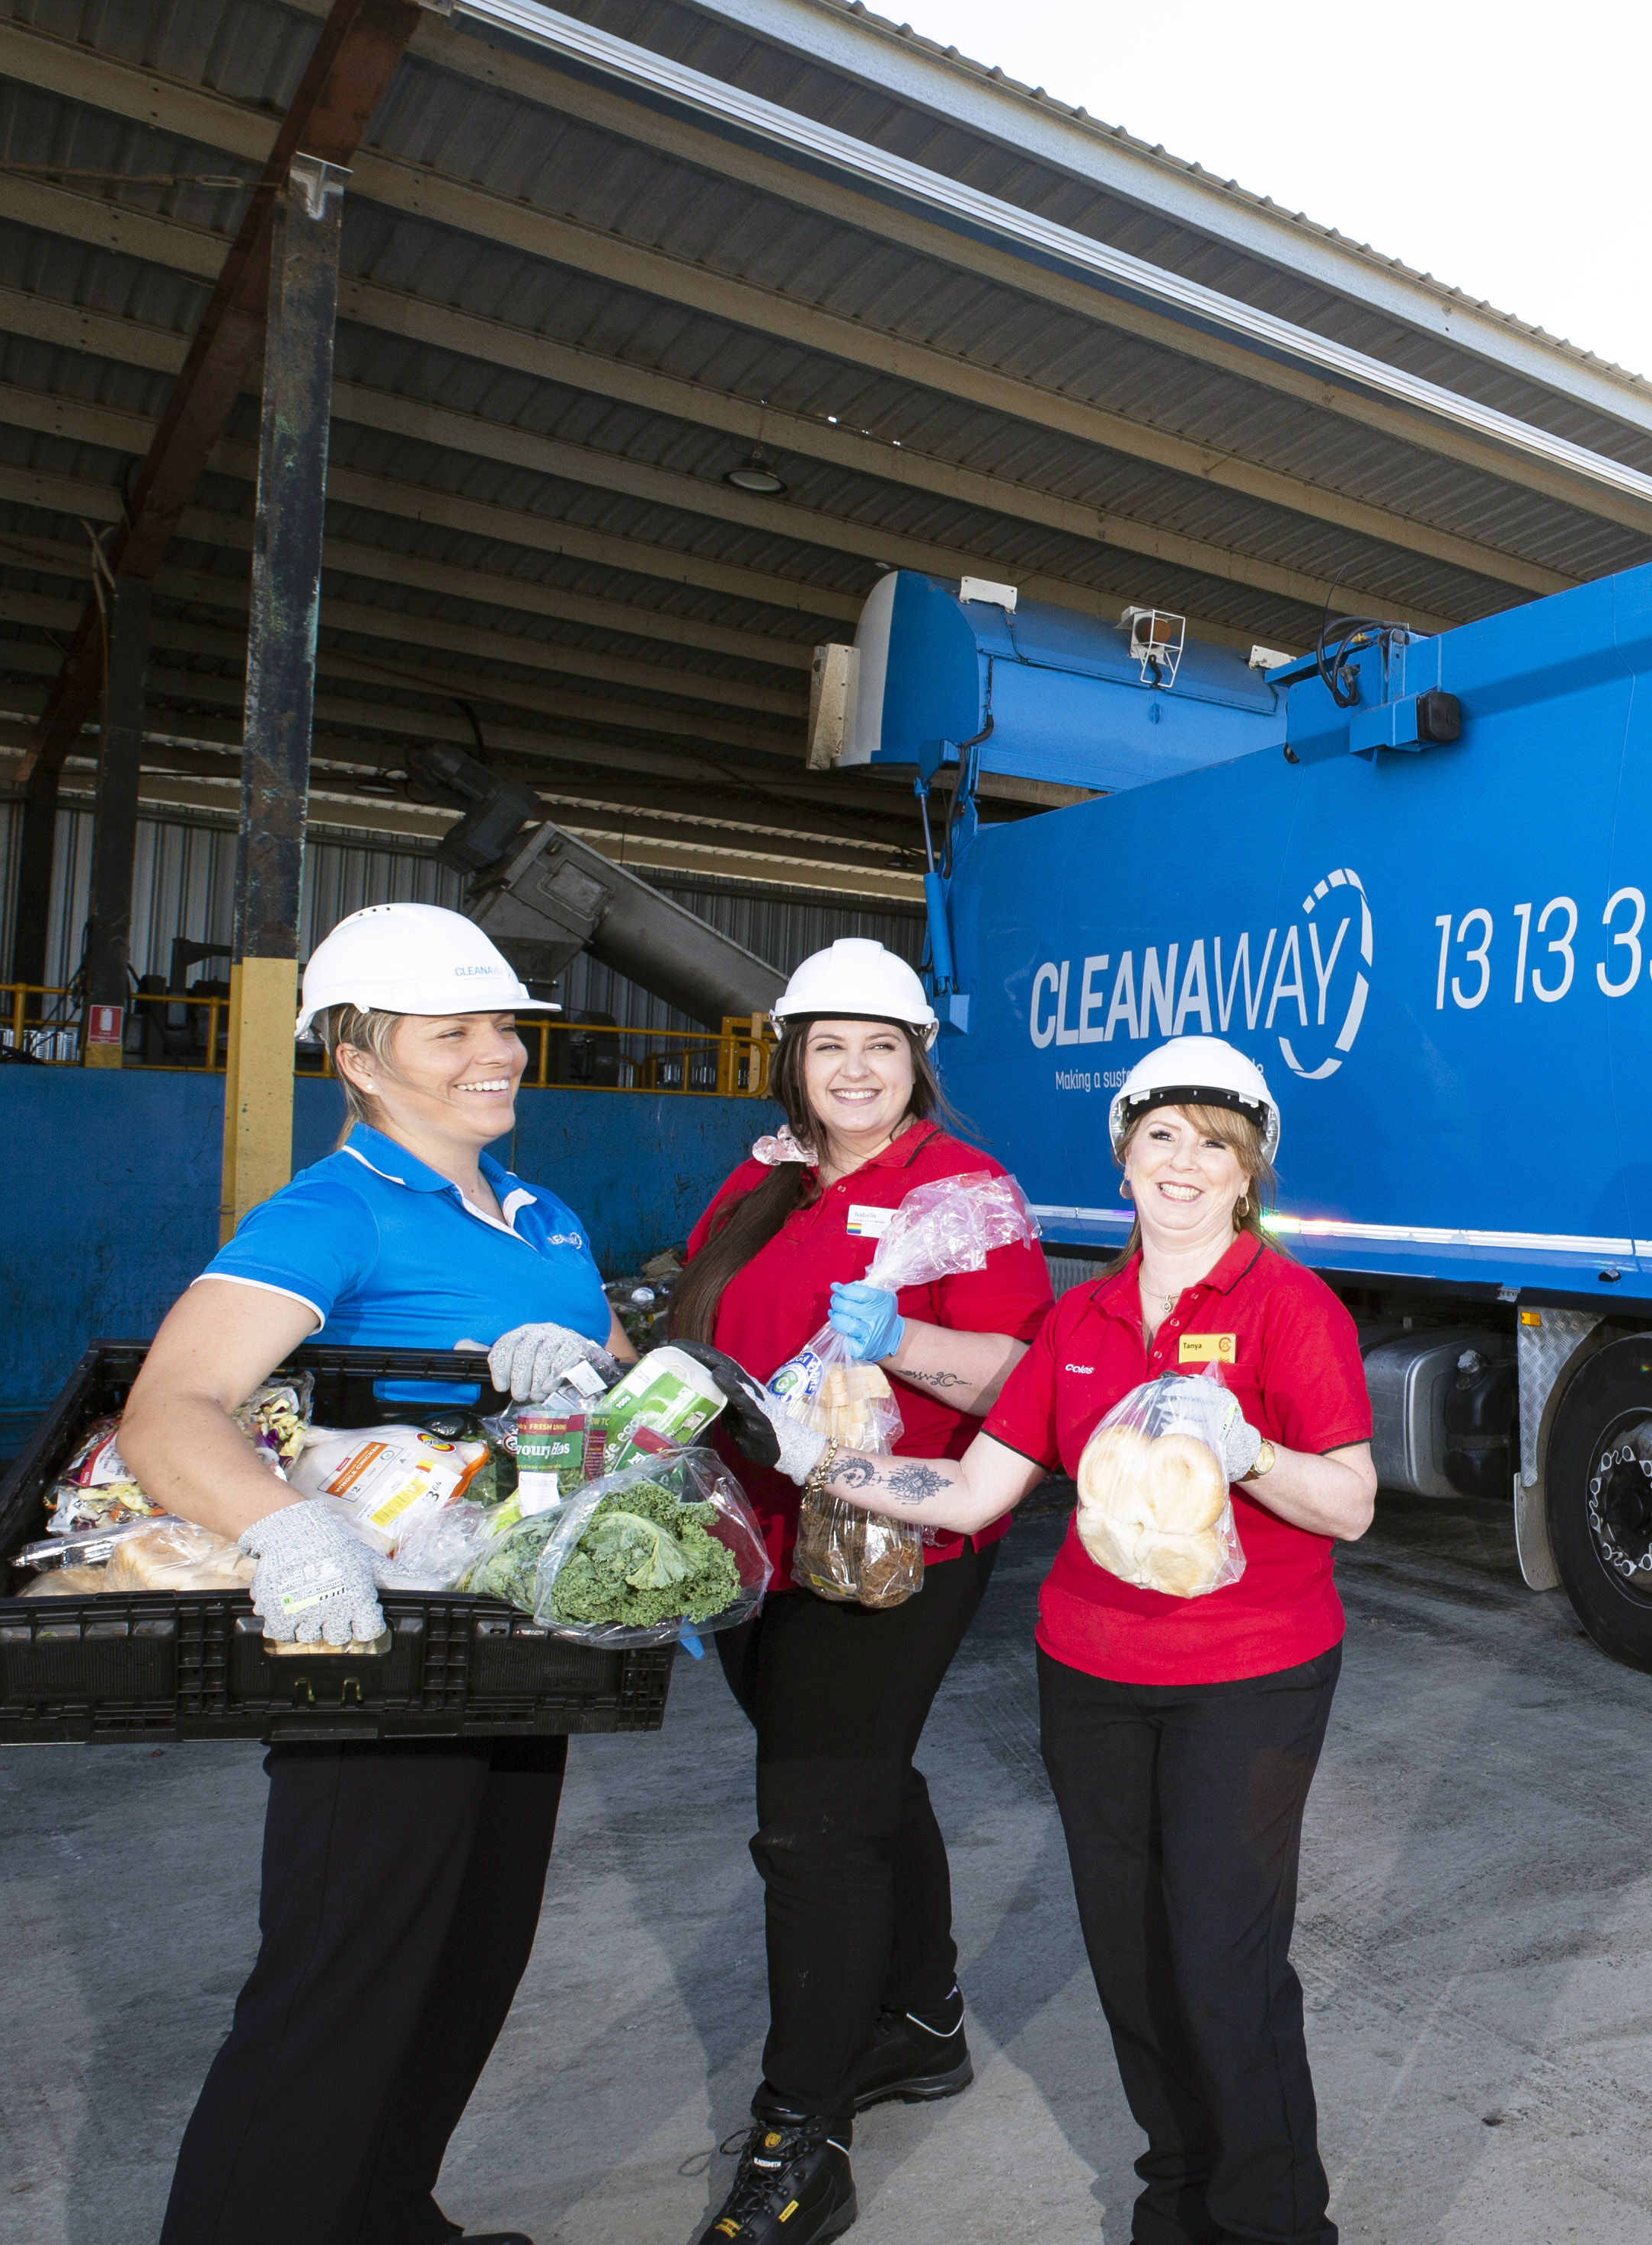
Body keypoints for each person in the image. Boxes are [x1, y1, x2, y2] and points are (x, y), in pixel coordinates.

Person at [737, 1034, 1376, 2245]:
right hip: (1089, 1676)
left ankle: (1274, 2223)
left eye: (1215, 1144)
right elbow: (974, 1491)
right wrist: (816, 1456)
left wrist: (1249, 1447)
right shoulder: (1078, 1320)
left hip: (1247, 1676)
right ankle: (1175, 2207)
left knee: (1221, 1966)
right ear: (1123, 1156)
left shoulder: (1291, 1308)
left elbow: (1349, 1503)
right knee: (1133, 1966)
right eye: (1161, 1136)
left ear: (1249, 1172)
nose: (1183, 1162)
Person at [117, 903, 630, 2245]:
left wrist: (592, 1384)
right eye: (451, 1031)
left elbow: (623, 1404)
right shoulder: (335, 1208)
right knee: (341, 1984)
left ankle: (383, 2215)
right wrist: (287, 1531)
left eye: (503, 1026)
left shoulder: (547, 1214)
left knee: (470, 1960)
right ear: (357, 1057)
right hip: (379, 1649)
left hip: (519, 1632)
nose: (496, 1052)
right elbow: (170, 1407)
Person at [669, 938, 1054, 2245]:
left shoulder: (964, 1192)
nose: (853, 1069)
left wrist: (903, 1340)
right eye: (828, 1044)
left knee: (812, 1828)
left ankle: (803, 2132)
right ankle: (922, 2019)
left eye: (879, 1046)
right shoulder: (763, 1178)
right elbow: (707, 1330)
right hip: (753, 1540)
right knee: (858, 1777)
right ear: (792, 1057)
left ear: (916, 1062)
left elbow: (1016, 1379)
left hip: (887, 1543)